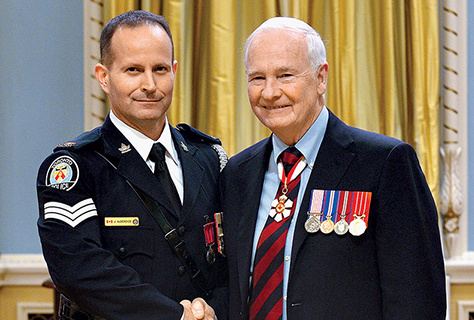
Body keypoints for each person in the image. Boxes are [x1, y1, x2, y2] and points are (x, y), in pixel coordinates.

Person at [220, 17, 446, 319]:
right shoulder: (237, 173)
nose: (270, 92)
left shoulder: (385, 163)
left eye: (285, 75)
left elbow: (417, 299)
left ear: (321, 78)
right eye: (257, 78)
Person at [37, 10, 227, 320]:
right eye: (133, 70)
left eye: (160, 69)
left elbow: (232, 258)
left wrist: (212, 310)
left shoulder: (208, 157)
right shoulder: (75, 168)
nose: (150, 84)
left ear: (174, 71)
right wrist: (174, 316)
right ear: (104, 77)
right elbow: (79, 270)